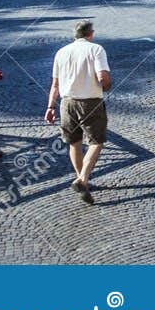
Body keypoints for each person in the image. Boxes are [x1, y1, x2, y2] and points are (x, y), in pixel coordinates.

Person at [44, 20, 112, 205]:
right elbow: (102, 76)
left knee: (74, 142)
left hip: (66, 103)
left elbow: (55, 84)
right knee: (96, 142)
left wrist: (50, 107)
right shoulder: (96, 49)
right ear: (91, 33)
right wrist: (107, 85)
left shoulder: (61, 52)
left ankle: (83, 180)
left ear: (75, 35)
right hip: (90, 102)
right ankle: (82, 179)